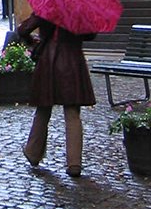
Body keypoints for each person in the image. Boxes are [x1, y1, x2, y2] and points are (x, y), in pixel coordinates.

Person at [19, 13, 96, 177]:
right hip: (73, 60)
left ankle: (33, 152)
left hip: (48, 60)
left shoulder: (47, 5)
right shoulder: (79, 7)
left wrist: (33, 42)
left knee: (43, 108)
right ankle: (74, 163)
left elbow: (23, 29)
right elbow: (91, 34)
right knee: (72, 112)